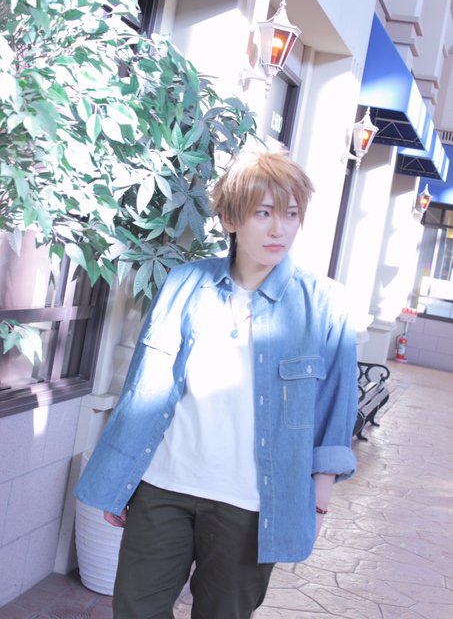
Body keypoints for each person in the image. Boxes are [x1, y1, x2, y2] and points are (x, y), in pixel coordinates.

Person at [75, 149, 358, 619]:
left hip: (250, 503)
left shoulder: (325, 304)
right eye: (263, 213)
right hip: (163, 486)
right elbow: (144, 389)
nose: (279, 229)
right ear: (230, 219)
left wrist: (320, 492)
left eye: (290, 214)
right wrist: (120, 478)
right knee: (134, 609)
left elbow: (335, 404)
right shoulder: (185, 283)